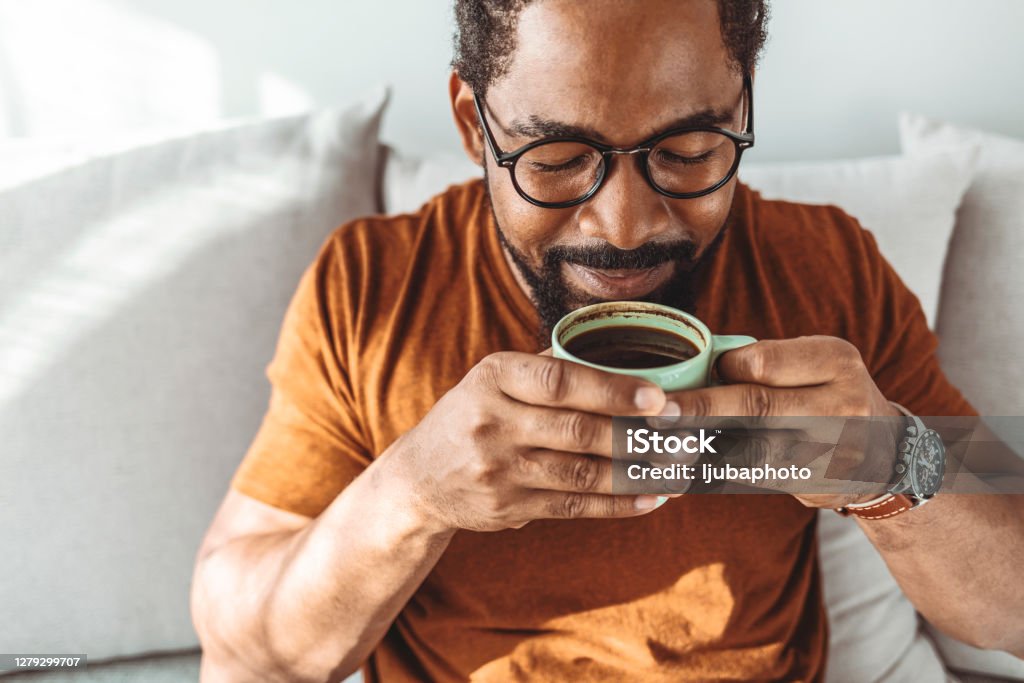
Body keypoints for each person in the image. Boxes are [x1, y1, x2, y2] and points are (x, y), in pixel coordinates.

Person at [190, 1, 1024, 681]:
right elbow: (243, 652)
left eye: (688, 151)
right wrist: (412, 493)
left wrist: (885, 462)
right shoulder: (371, 287)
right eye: (556, 158)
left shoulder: (829, 266)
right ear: (474, 127)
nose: (624, 225)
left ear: (743, 109)